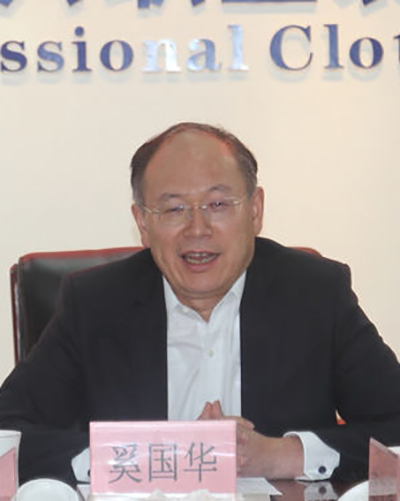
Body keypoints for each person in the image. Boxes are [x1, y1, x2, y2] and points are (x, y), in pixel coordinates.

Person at [1, 122, 400, 486]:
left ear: (255, 210)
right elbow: (7, 433)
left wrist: (281, 455)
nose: (197, 228)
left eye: (218, 204)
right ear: (143, 223)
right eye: (174, 208)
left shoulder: (316, 294)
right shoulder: (95, 304)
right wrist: (138, 458)